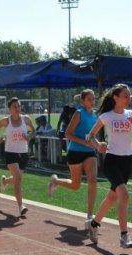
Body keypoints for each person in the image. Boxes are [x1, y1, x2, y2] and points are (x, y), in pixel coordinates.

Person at [86, 84, 132, 248]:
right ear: (116, 97)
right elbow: (90, 136)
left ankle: (93, 225)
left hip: (128, 161)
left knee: (112, 197)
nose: (128, 99)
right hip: (112, 160)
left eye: (129, 96)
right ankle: (124, 236)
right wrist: (98, 144)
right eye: (125, 96)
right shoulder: (106, 116)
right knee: (124, 195)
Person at [47, 89, 99, 241]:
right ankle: (56, 181)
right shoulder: (78, 113)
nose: (92, 101)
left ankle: (90, 217)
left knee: (93, 180)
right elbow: (67, 134)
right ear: (83, 101)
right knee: (76, 185)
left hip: (90, 152)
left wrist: (97, 145)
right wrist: (84, 142)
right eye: (89, 99)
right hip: (75, 152)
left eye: (93, 99)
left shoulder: (95, 115)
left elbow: (92, 135)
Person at [0, 97, 36, 216]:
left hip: (23, 153)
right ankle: (21, 206)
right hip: (10, 153)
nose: (17, 108)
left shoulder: (26, 119)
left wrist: (29, 137)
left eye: (18, 106)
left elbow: (34, 131)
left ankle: (5, 181)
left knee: (16, 178)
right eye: (14, 107)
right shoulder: (5, 121)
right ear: (9, 109)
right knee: (18, 178)